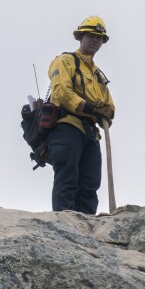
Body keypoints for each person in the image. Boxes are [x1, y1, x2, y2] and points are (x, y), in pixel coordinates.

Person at [45, 16, 116, 214]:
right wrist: (90, 108)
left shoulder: (98, 76)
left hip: (91, 134)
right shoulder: (65, 61)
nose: (95, 40)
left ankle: (86, 231)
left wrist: (106, 112)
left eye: (99, 38)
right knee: (67, 178)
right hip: (67, 127)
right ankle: (64, 225)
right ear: (80, 37)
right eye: (91, 36)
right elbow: (61, 92)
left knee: (90, 184)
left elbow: (109, 106)